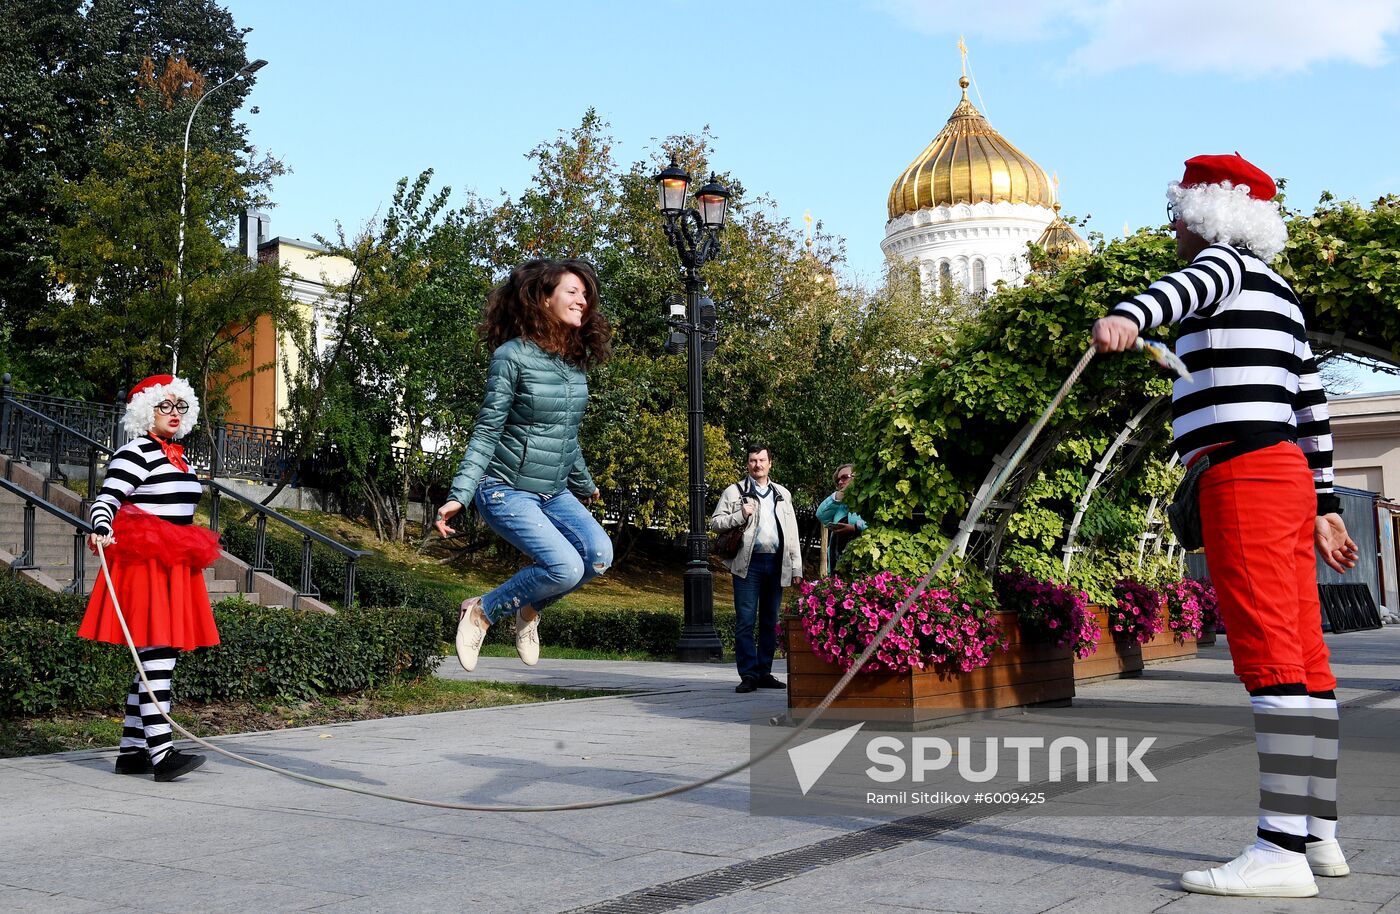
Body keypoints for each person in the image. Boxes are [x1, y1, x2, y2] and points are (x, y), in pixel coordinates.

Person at [1093, 153, 1359, 899]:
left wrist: (1128, 317)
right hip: (1288, 477)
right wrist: (1328, 503)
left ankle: (1278, 851)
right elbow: (1311, 406)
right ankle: (1318, 835)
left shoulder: (1222, 266)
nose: (1172, 225)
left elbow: (1186, 287)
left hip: (1242, 476)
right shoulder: (1281, 291)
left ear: (1208, 215)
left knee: (1270, 654)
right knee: (1305, 655)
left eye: (1179, 211)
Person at [434, 259, 613, 673]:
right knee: (564, 566)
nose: (582, 300)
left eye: (585, 294)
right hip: (506, 488)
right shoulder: (510, 357)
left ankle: (528, 609)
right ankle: (481, 612)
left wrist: (584, 483)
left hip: (554, 491)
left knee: (599, 555)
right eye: (572, 291)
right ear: (543, 297)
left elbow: (566, 433)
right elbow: (486, 430)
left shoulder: (573, 364)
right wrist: (459, 494)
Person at [79, 374, 222, 782]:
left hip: (175, 562)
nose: (174, 413)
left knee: (159, 656)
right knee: (157, 656)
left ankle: (130, 750)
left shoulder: (178, 457)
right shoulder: (134, 452)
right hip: (145, 563)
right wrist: (103, 526)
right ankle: (162, 753)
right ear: (146, 411)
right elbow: (105, 499)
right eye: (165, 406)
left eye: (180, 406)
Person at [711, 443, 802, 693]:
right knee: (746, 620)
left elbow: (792, 533)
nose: (757, 465)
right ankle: (748, 674)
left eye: (762, 460)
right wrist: (740, 515)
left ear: (770, 463)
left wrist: (796, 568)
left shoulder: (782, 493)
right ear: (747, 463)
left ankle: (764, 672)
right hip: (747, 564)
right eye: (753, 460)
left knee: (770, 621)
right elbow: (716, 522)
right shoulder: (734, 491)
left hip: (775, 562)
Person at [815, 463, 867, 574]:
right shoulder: (840, 505)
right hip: (837, 566)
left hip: (862, 566)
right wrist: (837, 497)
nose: (840, 482)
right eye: (838, 480)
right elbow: (821, 515)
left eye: (845, 477)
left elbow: (877, 524)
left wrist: (855, 528)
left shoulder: (868, 499)